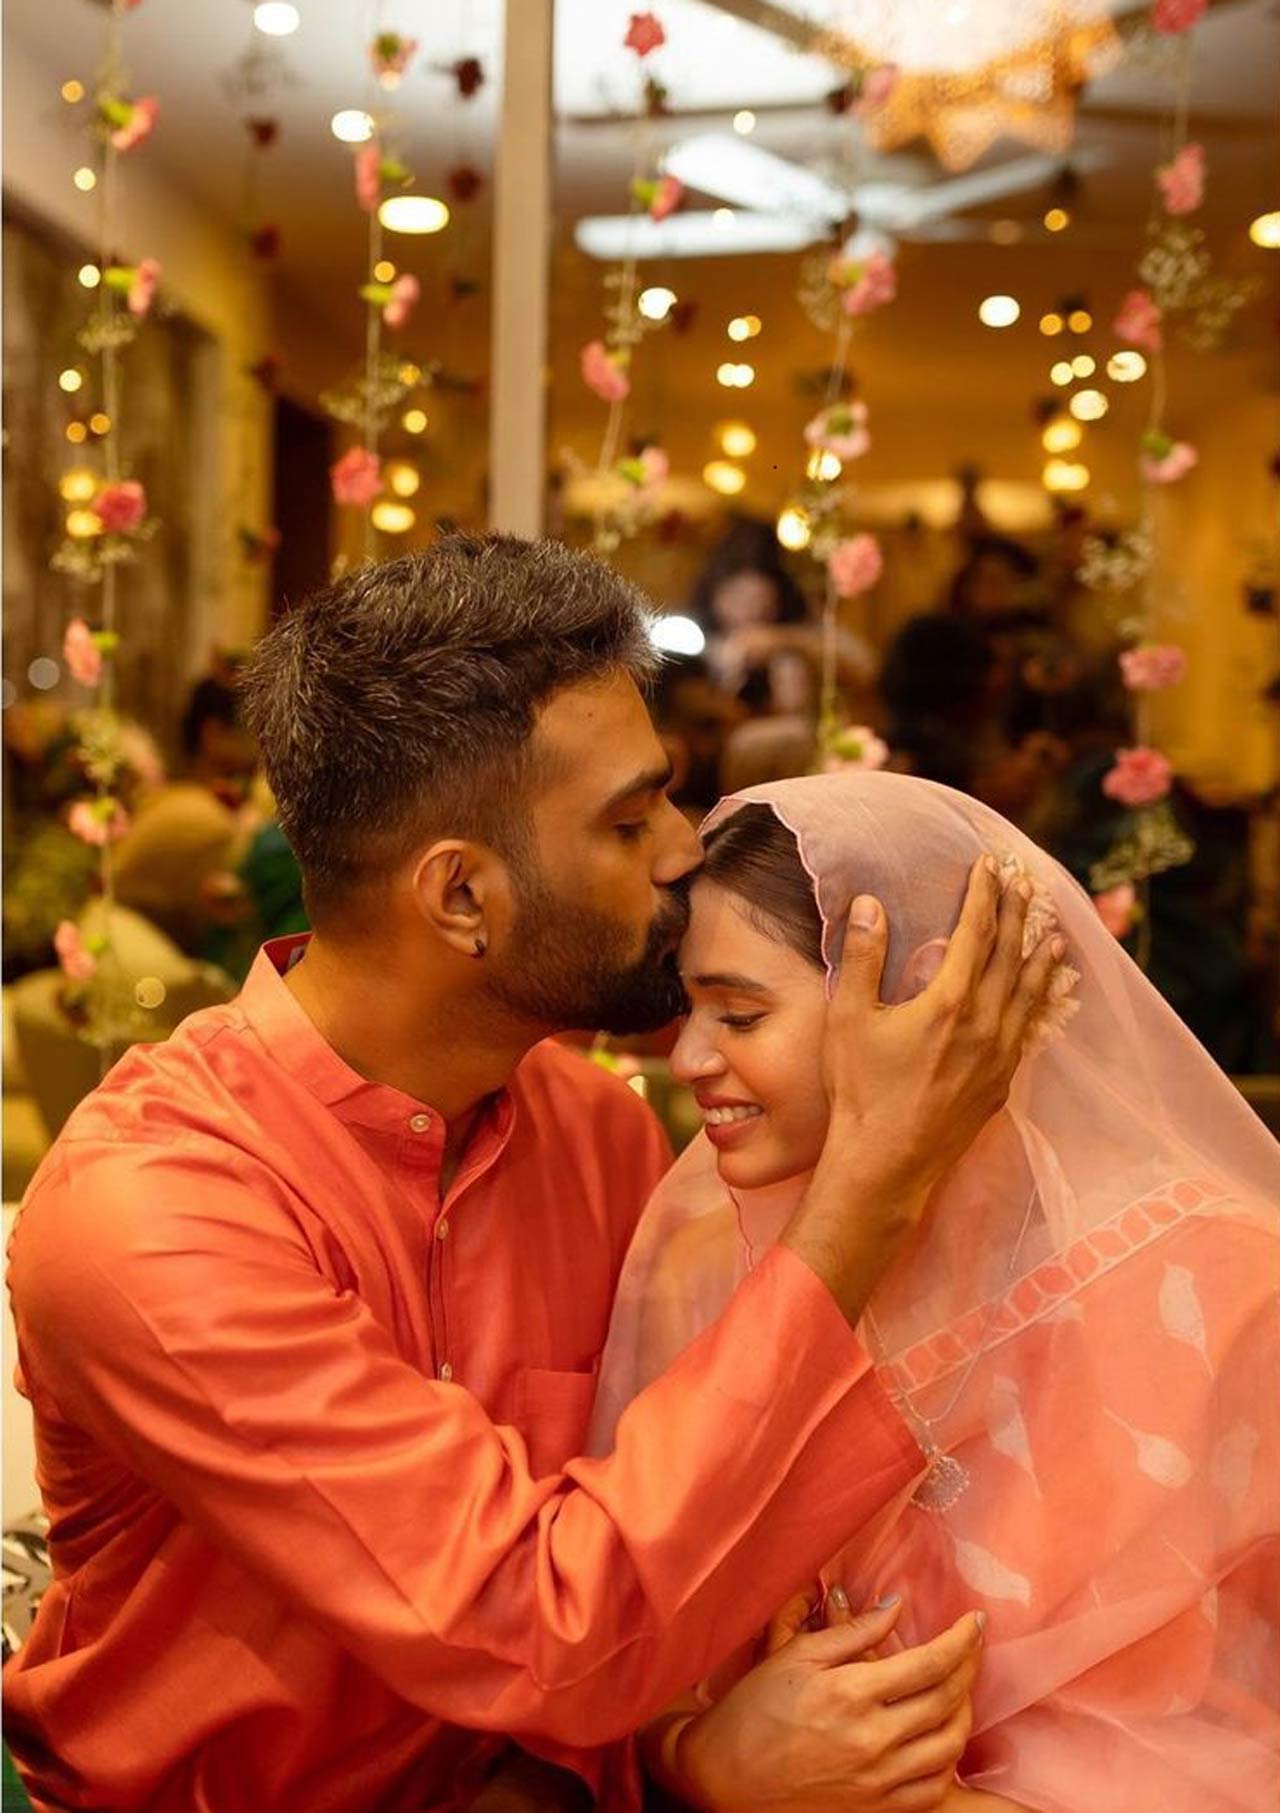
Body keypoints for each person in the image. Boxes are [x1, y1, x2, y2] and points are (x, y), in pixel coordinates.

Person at [5, 536, 1060, 1813]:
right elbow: (543, 1623)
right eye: (627, 821)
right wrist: (872, 1186)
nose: (683, 849)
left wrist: (685, 1758)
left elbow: (691, 1546)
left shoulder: (594, 1131)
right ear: (460, 896)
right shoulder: (156, 1212)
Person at [591, 772, 1279, 1813]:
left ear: (926, 999)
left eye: (738, 1012)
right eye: (687, 1009)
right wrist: (700, 1754)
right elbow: (613, 1645)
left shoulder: (1215, 1281)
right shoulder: (699, 1259)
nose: (688, 1058)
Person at [112, 674, 260, 953]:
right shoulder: (200, 816)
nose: (262, 746)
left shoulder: (173, 799)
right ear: (213, 733)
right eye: (254, 730)